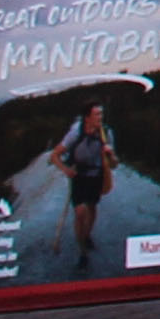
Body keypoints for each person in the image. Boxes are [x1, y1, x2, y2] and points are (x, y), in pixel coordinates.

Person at [53, 101, 120, 272]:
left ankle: (86, 235)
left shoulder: (106, 133)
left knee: (91, 207)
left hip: (96, 175)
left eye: (101, 114)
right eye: (97, 114)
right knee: (80, 212)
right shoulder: (76, 132)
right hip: (79, 175)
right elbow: (55, 156)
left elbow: (114, 165)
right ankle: (83, 252)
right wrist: (66, 170)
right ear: (87, 117)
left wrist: (110, 155)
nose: (100, 118)